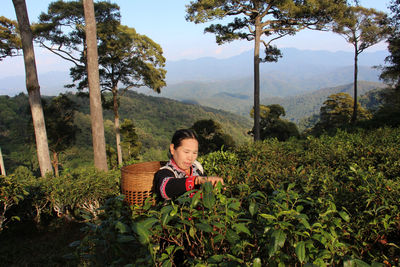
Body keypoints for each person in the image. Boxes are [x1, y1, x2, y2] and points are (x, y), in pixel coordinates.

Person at [153, 129, 224, 201]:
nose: (190, 158)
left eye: (194, 153)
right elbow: (166, 188)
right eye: (186, 152)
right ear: (172, 149)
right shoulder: (166, 172)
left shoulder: (197, 168)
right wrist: (195, 181)